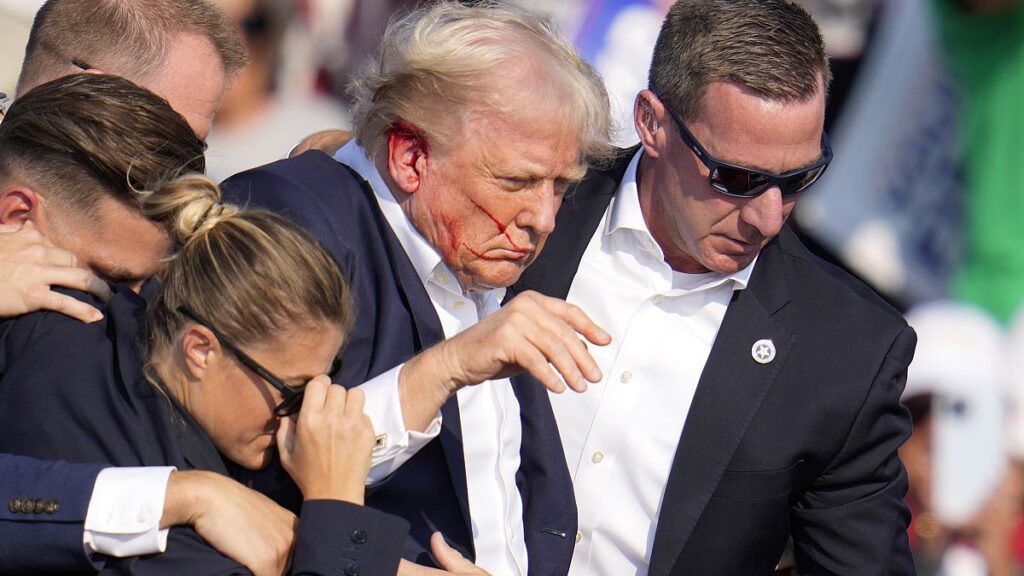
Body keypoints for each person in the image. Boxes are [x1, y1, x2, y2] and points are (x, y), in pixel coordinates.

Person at [507, 0, 917, 574]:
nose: (769, 218)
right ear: (652, 123)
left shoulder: (846, 351)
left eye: (798, 178)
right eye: (739, 178)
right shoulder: (523, 209)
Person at [222, 1, 613, 573]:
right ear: (410, 157)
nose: (544, 217)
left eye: (561, 185)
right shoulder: (293, 219)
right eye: (517, 180)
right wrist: (450, 365)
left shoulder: (474, 235)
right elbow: (254, 459)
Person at [0, 73, 411, 576]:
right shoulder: (60, 350)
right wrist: (333, 510)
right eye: (108, 278)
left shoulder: (205, 405)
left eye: (153, 282)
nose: (136, 309)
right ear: (17, 216)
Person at [0, 2, 302, 573]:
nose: (179, 171)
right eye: (159, 123)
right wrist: (184, 497)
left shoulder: (122, 261)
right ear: (87, 91)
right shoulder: (65, 322)